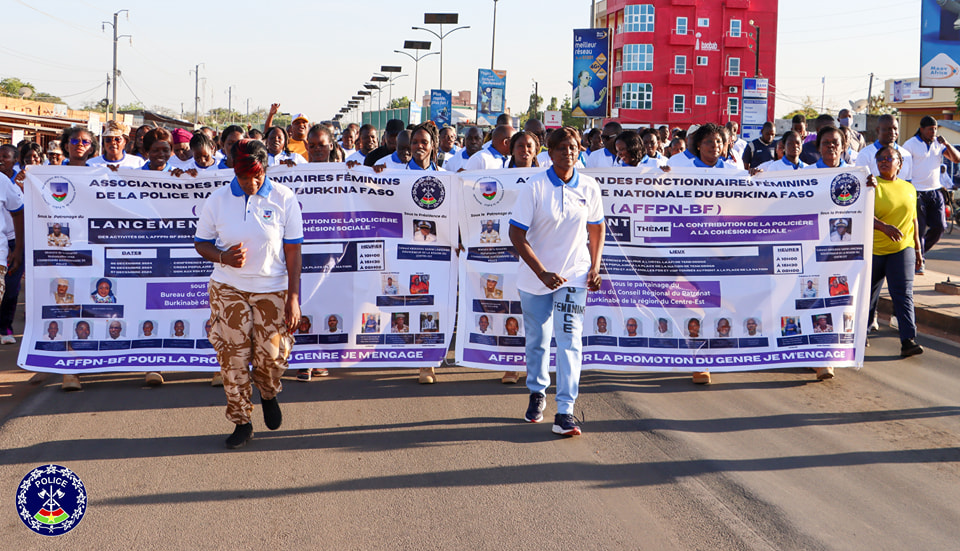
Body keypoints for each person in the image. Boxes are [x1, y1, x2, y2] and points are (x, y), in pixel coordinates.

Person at [194, 138, 304, 448]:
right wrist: (222, 257)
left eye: (257, 176)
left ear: (266, 170)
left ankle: (268, 392)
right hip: (229, 288)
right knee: (232, 358)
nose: (252, 183)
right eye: (244, 178)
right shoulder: (217, 200)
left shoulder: (284, 198)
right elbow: (201, 242)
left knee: (271, 357)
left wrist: (293, 298)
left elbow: (294, 253)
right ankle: (241, 420)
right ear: (234, 172)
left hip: (272, 289)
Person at [509, 126, 604, 437]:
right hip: (535, 278)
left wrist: (595, 266)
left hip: (573, 276)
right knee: (537, 340)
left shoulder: (589, 187)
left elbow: (596, 228)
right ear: (549, 153)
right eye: (562, 148)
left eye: (574, 147)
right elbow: (516, 234)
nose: (569, 152)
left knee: (569, 341)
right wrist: (541, 272)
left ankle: (565, 410)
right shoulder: (535, 187)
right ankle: (537, 392)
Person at [869, 144, 924, 358]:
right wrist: (883, 227)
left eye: (889, 158)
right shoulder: (871, 185)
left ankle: (908, 340)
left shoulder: (909, 189)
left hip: (902, 249)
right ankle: (859, 334)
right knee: (868, 296)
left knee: (903, 295)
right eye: (880, 158)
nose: (884, 161)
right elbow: (861, 213)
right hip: (874, 250)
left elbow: (914, 220)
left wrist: (918, 250)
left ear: (899, 164)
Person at [902, 116, 960, 270]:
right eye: (930, 129)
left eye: (935, 128)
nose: (933, 132)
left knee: (940, 226)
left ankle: (917, 255)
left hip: (935, 191)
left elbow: (957, 159)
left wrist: (946, 143)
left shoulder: (938, 145)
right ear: (922, 129)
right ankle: (918, 262)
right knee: (919, 229)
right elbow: (903, 167)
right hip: (916, 191)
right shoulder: (910, 144)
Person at [856, 114, 913, 181]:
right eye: (888, 129)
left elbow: (908, 182)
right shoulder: (865, 154)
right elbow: (860, 182)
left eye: (895, 129)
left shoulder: (906, 155)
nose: (892, 132)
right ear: (878, 130)